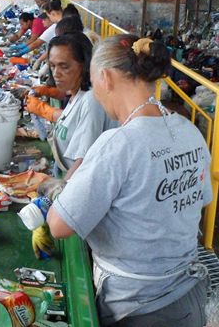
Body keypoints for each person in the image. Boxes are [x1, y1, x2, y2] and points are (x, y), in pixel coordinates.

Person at [46, 35, 210, 326]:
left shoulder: (117, 144)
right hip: (189, 300)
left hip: (138, 308)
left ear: (105, 77)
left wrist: (58, 187)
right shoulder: (188, 131)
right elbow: (193, 202)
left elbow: (59, 225)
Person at [26, 32, 115, 179]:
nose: (56, 73)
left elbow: (84, 161)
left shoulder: (91, 99)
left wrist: (61, 192)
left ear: (84, 65)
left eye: (64, 66)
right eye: (52, 66)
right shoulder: (77, 94)